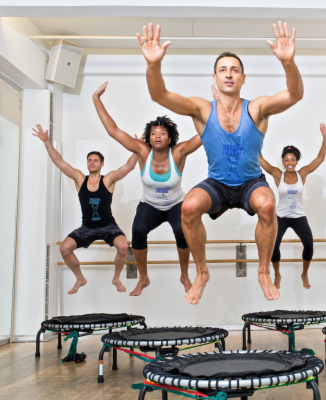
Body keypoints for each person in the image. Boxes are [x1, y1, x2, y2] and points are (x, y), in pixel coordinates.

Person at [137, 21, 303, 303]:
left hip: (250, 182)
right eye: (223, 70)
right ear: (214, 77)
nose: (229, 74)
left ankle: (263, 272)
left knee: (267, 205)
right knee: (188, 207)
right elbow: (159, 95)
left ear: (243, 78)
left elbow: (294, 95)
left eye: (234, 70)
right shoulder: (202, 110)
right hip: (217, 183)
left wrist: (288, 62)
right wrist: (153, 65)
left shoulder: (257, 108)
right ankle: (201, 272)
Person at [92, 81, 203, 296]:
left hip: (175, 204)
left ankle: (184, 275)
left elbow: (205, 134)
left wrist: (209, 108)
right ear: (149, 138)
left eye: (162, 133)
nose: (158, 136)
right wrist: (96, 98)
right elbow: (113, 131)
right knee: (138, 231)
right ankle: (143, 278)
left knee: (182, 231)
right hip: (150, 204)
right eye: (154, 133)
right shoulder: (143, 152)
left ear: (170, 138)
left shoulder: (178, 153)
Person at [32, 124, 137, 294]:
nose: (92, 162)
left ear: (102, 164)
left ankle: (116, 278)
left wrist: (137, 148)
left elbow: (128, 167)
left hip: (108, 226)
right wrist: (46, 142)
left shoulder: (108, 180)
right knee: (64, 249)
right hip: (87, 227)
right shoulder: (80, 178)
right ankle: (80, 278)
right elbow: (59, 162)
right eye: (89, 160)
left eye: (95, 160)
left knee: (124, 247)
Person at [259, 124, 326, 289]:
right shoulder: (278, 174)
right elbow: (260, 159)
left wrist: (325, 138)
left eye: (292, 160)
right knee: (273, 246)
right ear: (283, 162)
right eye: (286, 160)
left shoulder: (302, 173)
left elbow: (320, 158)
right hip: (281, 217)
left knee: (309, 244)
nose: (289, 162)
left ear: (297, 161)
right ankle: (277, 274)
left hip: (298, 216)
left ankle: (304, 273)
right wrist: (255, 136)